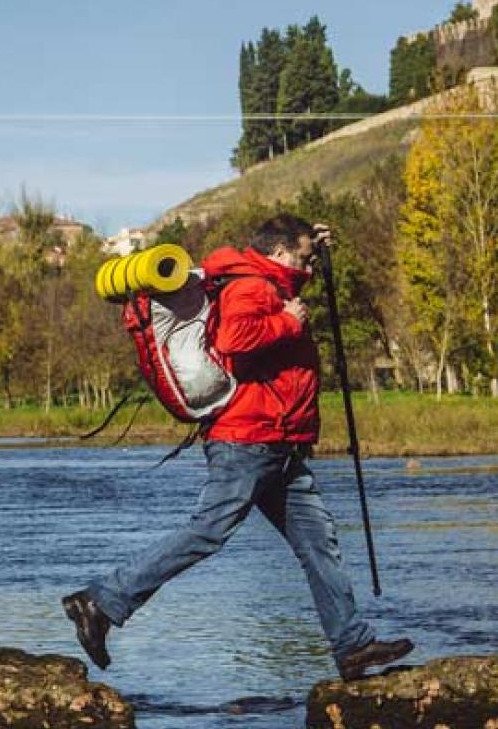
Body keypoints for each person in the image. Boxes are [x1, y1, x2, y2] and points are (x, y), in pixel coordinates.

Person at [63, 213, 413, 681]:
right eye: (304, 255)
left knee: (319, 544)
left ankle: (352, 646)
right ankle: (101, 600)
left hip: (277, 443)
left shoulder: (268, 282)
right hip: (247, 439)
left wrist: (311, 252)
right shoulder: (252, 287)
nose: (309, 263)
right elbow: (236, 338)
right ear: (280, 253)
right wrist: (288, 323)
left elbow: (280, 295)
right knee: (209, 531)